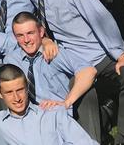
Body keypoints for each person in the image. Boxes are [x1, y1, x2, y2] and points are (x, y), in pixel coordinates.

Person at [7, 0, 124, 144]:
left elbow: (100, 17)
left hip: (97, 54)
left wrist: (121, 55)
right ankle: (95, 136)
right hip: (70, 58)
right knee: (82, 93)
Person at [6, 12, 101, 141]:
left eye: (30, 33)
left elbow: (89, 71)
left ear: (41, 32)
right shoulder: (11, 60)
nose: (26, 40)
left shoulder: (54, 53)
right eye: (20, 35)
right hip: (31, 121)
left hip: (60, 115)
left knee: (88, 93)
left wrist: (66, 102)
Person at [0, 64, 97, 145]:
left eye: (19, 90)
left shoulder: (53, 113)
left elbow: (85, 142)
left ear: (27, 88)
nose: (16, 98)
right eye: (9, 92)